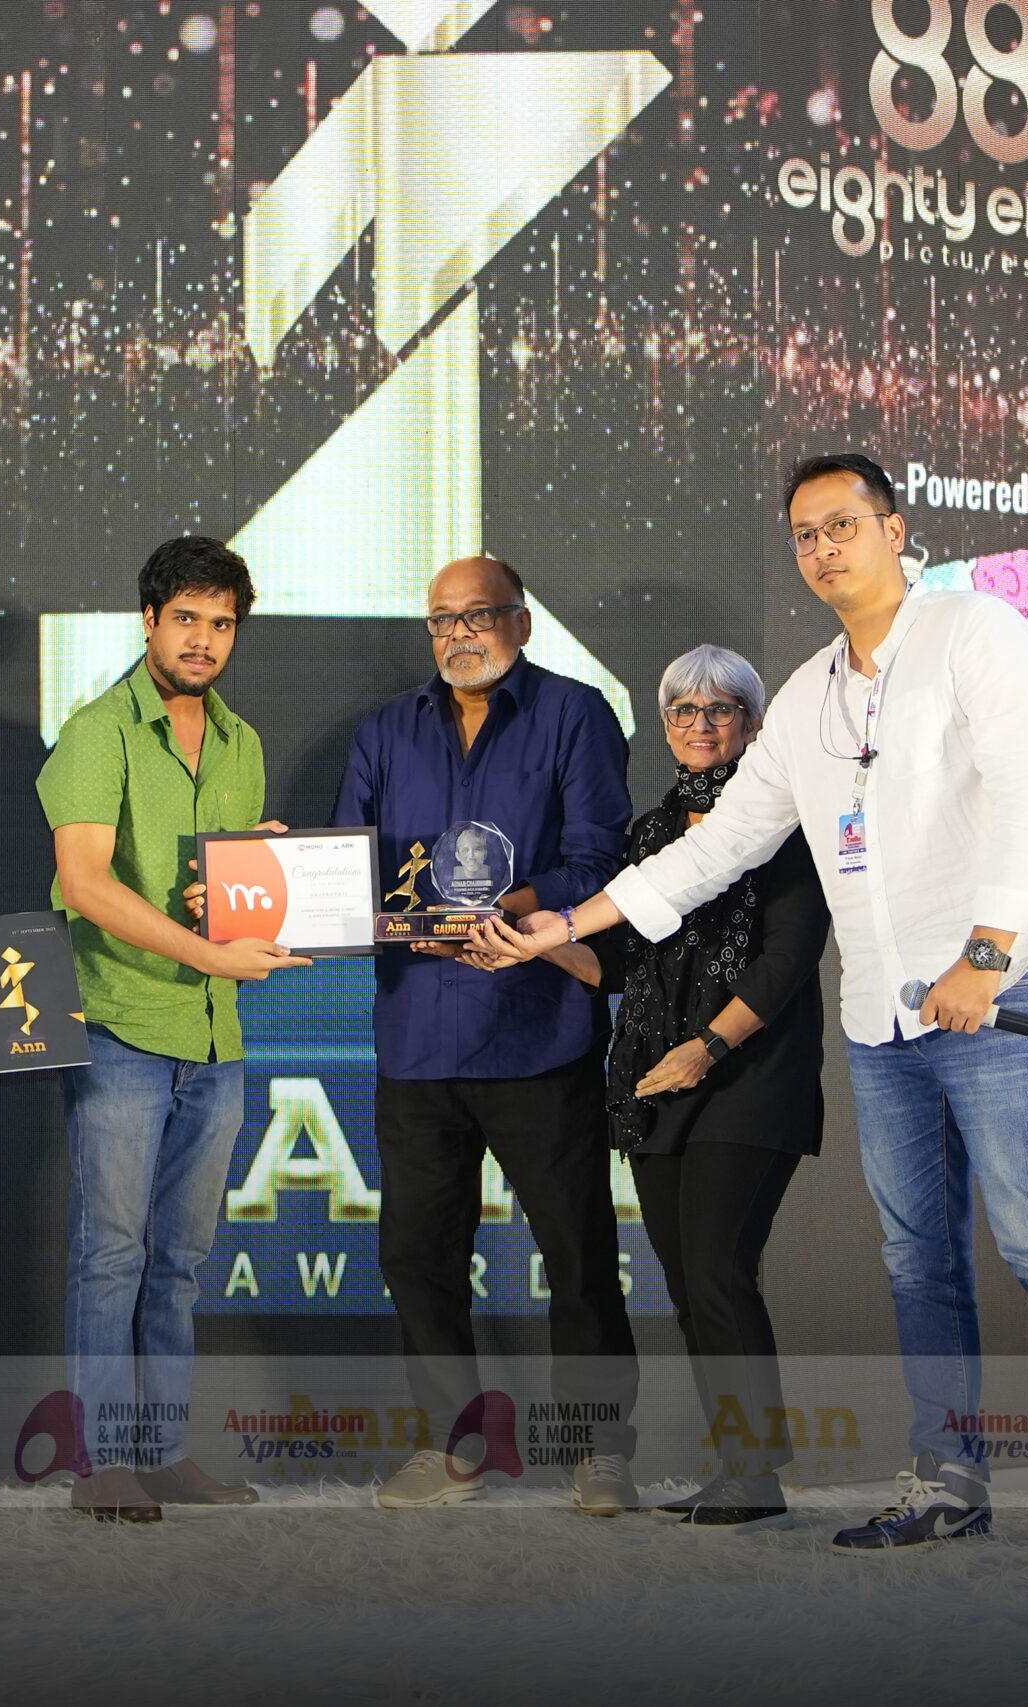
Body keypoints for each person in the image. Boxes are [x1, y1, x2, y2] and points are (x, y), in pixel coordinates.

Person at [476, 454, 1028, 1575]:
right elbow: (718, 847)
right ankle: (948, 1479)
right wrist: (569, 922)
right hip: (883, 1019)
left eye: (842, 525)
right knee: (917, 1259)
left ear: (893, 529)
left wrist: (986, 953)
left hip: (1003, 988)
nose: (822, 548)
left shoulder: (977, 633)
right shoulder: (809, 693)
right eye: (805, 534)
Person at [481, 645, 829, 1530]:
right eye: (684, 710)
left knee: (716, 1269)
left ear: (754, 724)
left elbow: (790, 957)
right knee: (687, 1283)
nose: (701, 725)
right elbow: (616, 960)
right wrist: (530, 940)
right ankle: (738, 1465)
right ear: (665, 724)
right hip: (653, 1077)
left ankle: (755, 1473)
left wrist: (707, 1047)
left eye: (721, 709)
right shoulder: (648, 834)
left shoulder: (787, 818)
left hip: (747, 1073)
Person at [330, 555, 640, 1516]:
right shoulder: (385, 731)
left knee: (578, 1254)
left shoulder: (575, 714)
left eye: (478, 615)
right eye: (442, 620)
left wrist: (505, 909)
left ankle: (597, 1450)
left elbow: (598, 857)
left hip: (540, 1032)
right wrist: (275, 879)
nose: (458, 634)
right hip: (416, 1038)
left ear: (521, 622)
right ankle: (453, 1446)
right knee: (417, 1258)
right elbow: (345, 868)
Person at [38, 535, 308, 1522]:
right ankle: (100, 1463)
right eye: (185, 618)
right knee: (112, 1252)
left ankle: (160, 1454)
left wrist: (257, 884)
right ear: (148, 620)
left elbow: (214, 892)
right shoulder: (97, 730)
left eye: (220, 623)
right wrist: (207, 950)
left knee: (181, 1262)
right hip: (122, 1024)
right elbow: (84, 884)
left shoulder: (241, 743)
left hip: (214, 1035)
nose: (202, 639)